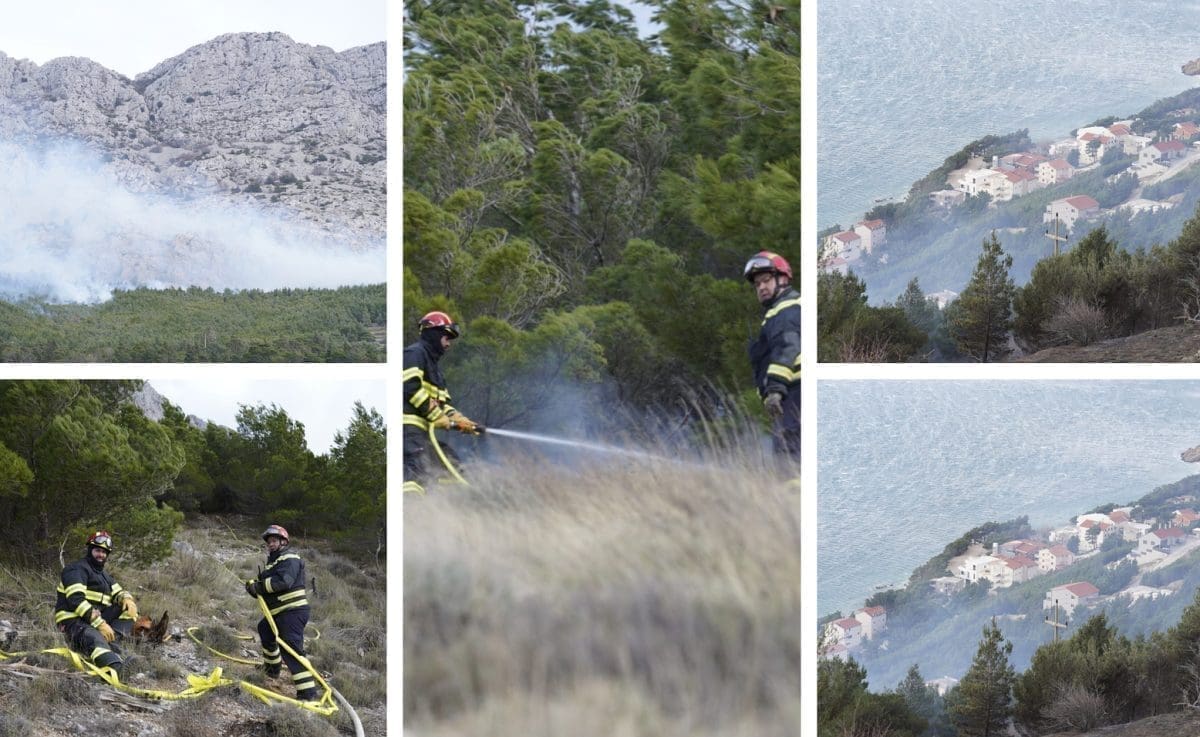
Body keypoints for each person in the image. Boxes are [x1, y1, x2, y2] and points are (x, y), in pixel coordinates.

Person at [402, 310, 481, 493]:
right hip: (407, 430)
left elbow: (442, 404)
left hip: (421, 434)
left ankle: (449, 510)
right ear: (434, 334)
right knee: (415, 474)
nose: (448, 343)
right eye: (446, 337)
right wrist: (435, 415)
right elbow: (408, 386)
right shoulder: (415, 354)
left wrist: (461, 420)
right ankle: (410, 511)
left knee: (450, 465)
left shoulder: (435, 370)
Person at [244, 524, 318, 702]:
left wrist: (259, 586)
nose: (270, 544)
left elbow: (283, 582)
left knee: (291, 650)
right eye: (269, 541)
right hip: (279, 612)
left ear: (284, 541)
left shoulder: (290, 557)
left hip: (291, 612)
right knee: (264, 629)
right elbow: (266, 589)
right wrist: (254, 588)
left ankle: (308, 694)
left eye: (274, 540)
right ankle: (272, 670)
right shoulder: (274, 562)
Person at [54, 530, 139, 678]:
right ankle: (116, 669)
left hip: (92, 619)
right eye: (97, 550)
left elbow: (119, 592)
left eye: (104, 552)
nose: (101, 555)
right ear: (90, 549)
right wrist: (100, 624)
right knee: (93, 637)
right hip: (72, 620)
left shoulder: (104, 576)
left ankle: (112, 640)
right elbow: (76, 600)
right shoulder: (76, 569)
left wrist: (127, 599)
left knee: (127, 608)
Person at [744, 250, 801, 459]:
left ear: (783, 278)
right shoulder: (779, 312)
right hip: (791, 394)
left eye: (766, 280)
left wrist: (775, 389)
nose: (761, 287)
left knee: (789, 458)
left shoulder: (786, 309)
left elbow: (788, 346)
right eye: (757, 284)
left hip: (794, 392)